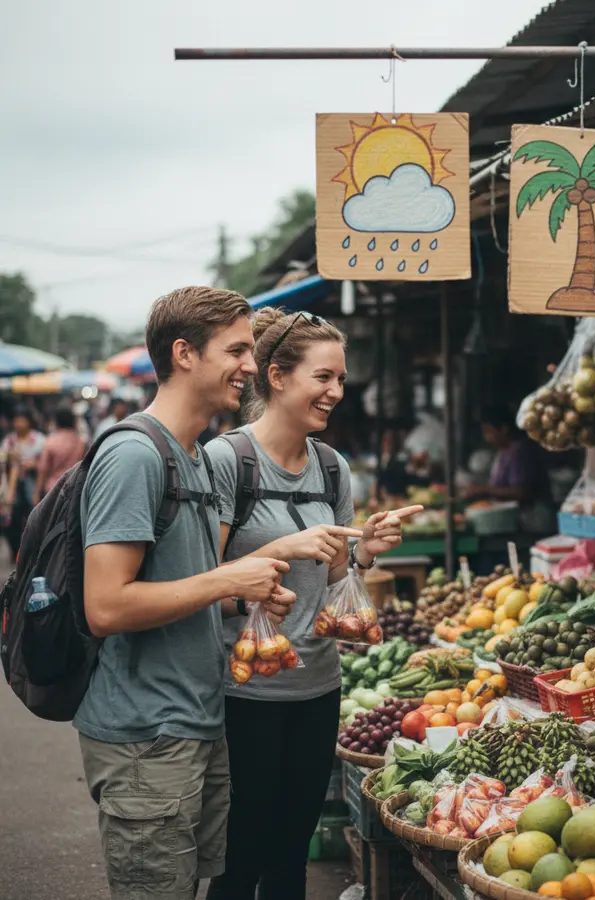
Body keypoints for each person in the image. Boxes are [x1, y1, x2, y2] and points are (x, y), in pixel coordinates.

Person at [76, 286, 297, 900]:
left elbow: (180, 588)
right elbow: (106, 606)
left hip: (195, 724)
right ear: (184, 354)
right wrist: (228, 577)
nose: (251, 367)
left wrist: (244, 594)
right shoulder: (134, 455)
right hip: (146, 736)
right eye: (237, 350)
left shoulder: (194, 455)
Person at [205, 307, 420, 900]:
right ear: (276, 376)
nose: (336, 392)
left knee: (290, 857)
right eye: (323, 377)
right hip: (243, 691)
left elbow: (330, 586)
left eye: (341, 379)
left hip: (318, 688)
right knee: (240, 854)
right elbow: (204, 584)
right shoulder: (229, 462)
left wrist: (366, 555)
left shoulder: (333, 468)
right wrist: (282, 545)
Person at [465, 405, 554, 533]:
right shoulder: (503, 452)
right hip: (512, 519)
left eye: (488, 432)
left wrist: (484, 490)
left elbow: (521, 493)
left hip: (533, 521)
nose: (486, 438)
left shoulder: (520, 452)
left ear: (504, 429)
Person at [0, 407, 46, 558]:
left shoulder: (39, 440)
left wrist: (33, 465)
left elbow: (45, 463)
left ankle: (31, 551)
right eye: (16, 420)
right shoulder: (9, 440)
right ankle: (16, 551)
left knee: (32, 516)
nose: (19, 423)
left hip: (33, 484)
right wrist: (8, 457)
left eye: (22, 420)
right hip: (13, 486)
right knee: (12, 519)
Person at [33, 406, 86, 502]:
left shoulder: (50, 441)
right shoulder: (80, 442)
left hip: (53, 489)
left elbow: (43, 469)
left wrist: (36, 493)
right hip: (75, 488)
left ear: (56, 421)